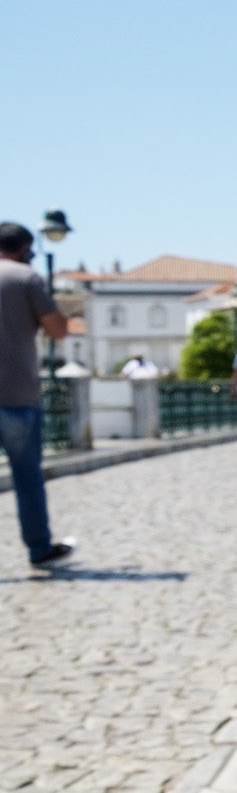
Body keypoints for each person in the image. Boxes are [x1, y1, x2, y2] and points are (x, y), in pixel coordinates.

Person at [0, 221, 73, 567]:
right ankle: (39, 549)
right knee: (27, 476)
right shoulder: (26, 278)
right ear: (25, 247)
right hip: (16, 392)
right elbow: (58, 330)